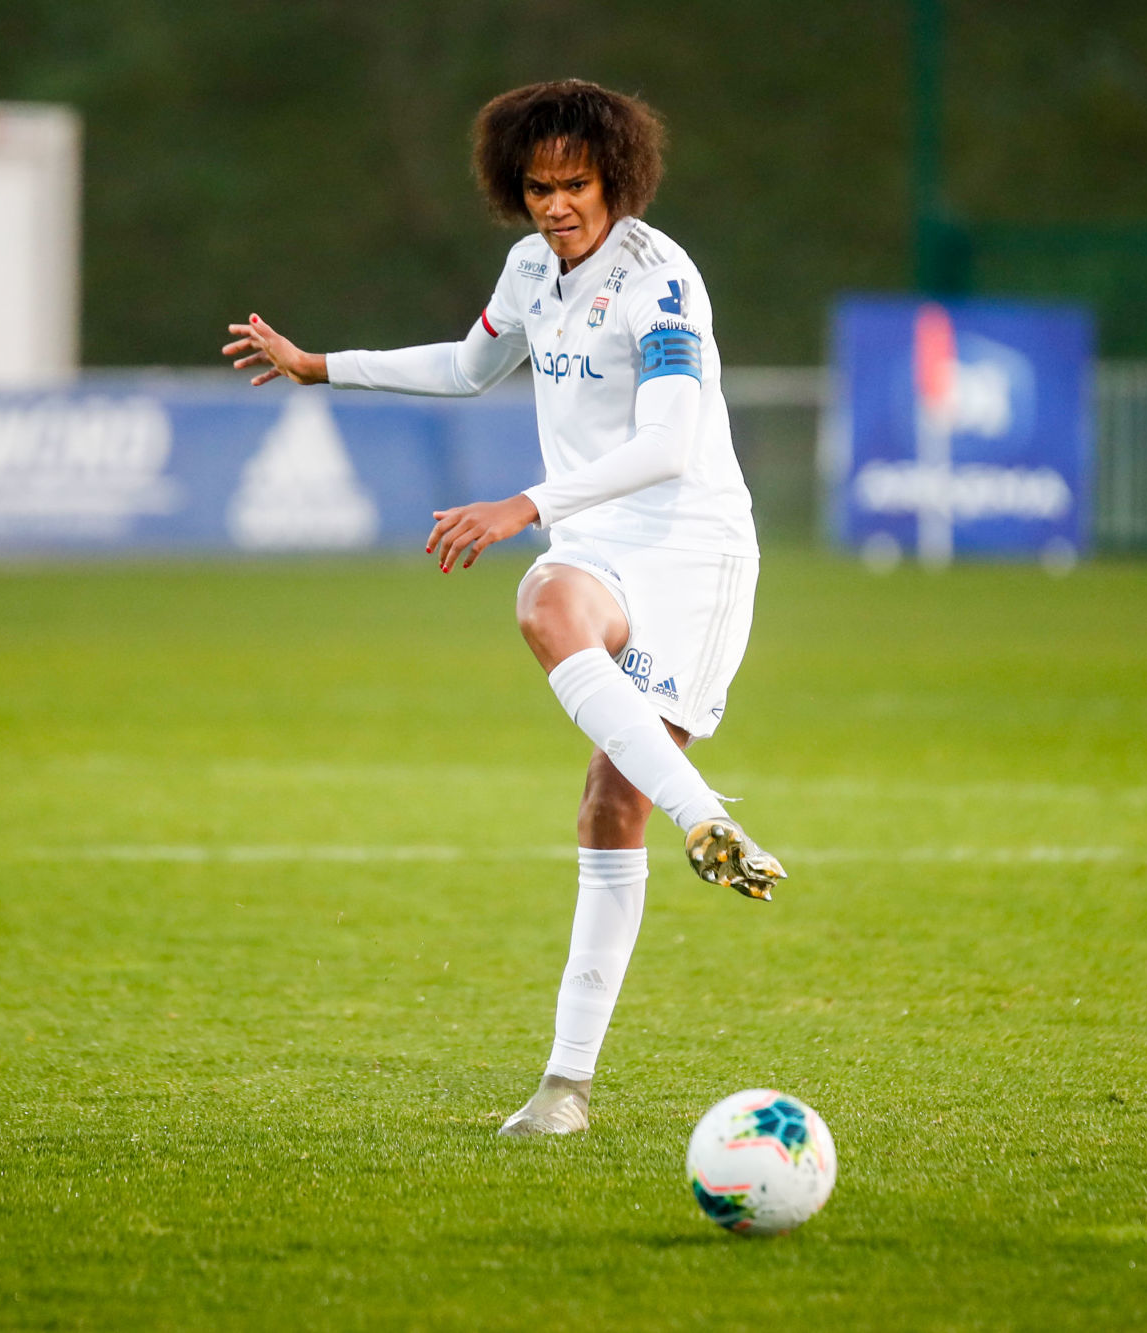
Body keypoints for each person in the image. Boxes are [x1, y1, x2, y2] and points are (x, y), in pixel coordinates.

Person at [220, 79, 785, 1137]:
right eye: (538, 187)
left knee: (611, 804)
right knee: (543, 598)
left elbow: (668, 443)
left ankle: (678, 834)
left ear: (616, 179)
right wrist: (317, 367)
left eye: (575, 184)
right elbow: (472, 362)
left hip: (691, 549)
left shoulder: (661, 284)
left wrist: (521, 502)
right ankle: (574, 1071)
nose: (556, 205)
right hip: (596, 538)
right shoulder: (531, 268)